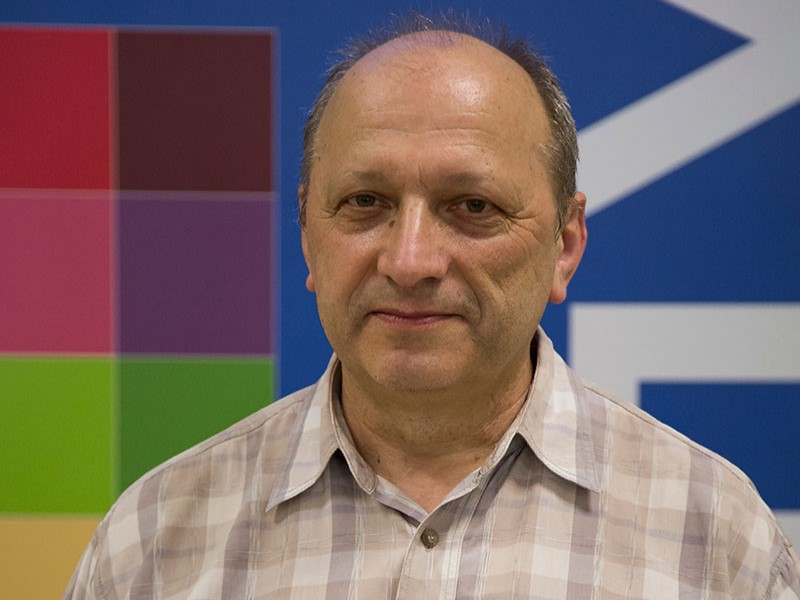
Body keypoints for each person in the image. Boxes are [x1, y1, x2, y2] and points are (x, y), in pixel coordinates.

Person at [64, 13, 800, 599]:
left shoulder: (716, 538)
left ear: (566, 244)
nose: (410, 260)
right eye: (365, 202)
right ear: (309, 236)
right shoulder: (153, 544)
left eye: (472, 206)